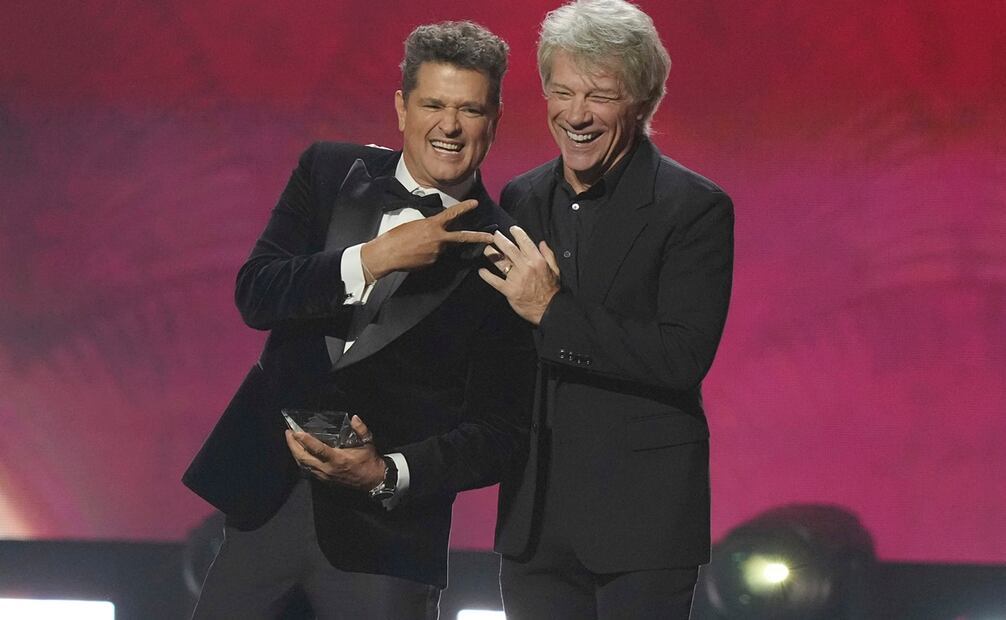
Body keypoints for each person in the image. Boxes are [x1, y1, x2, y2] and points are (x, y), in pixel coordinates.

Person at [182, 21, 535, 620]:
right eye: (433, 104)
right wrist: (372, 260)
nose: (448, 126)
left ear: (494, 121)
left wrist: (385, 472)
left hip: (385, 542)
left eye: (469, 110)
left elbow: (501, 431)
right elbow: (256, 294)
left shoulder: (507, 253)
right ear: (401, 107)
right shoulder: (327, 172)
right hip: (264, 505)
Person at [480, 1, 734, 618]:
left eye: (600, 95)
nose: (575, 115)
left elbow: (681, 357)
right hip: (534, 519)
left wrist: (553, 310)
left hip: (641, 525)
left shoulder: (693, 209)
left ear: (644, 101)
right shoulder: (522, 197)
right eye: (560, 92)